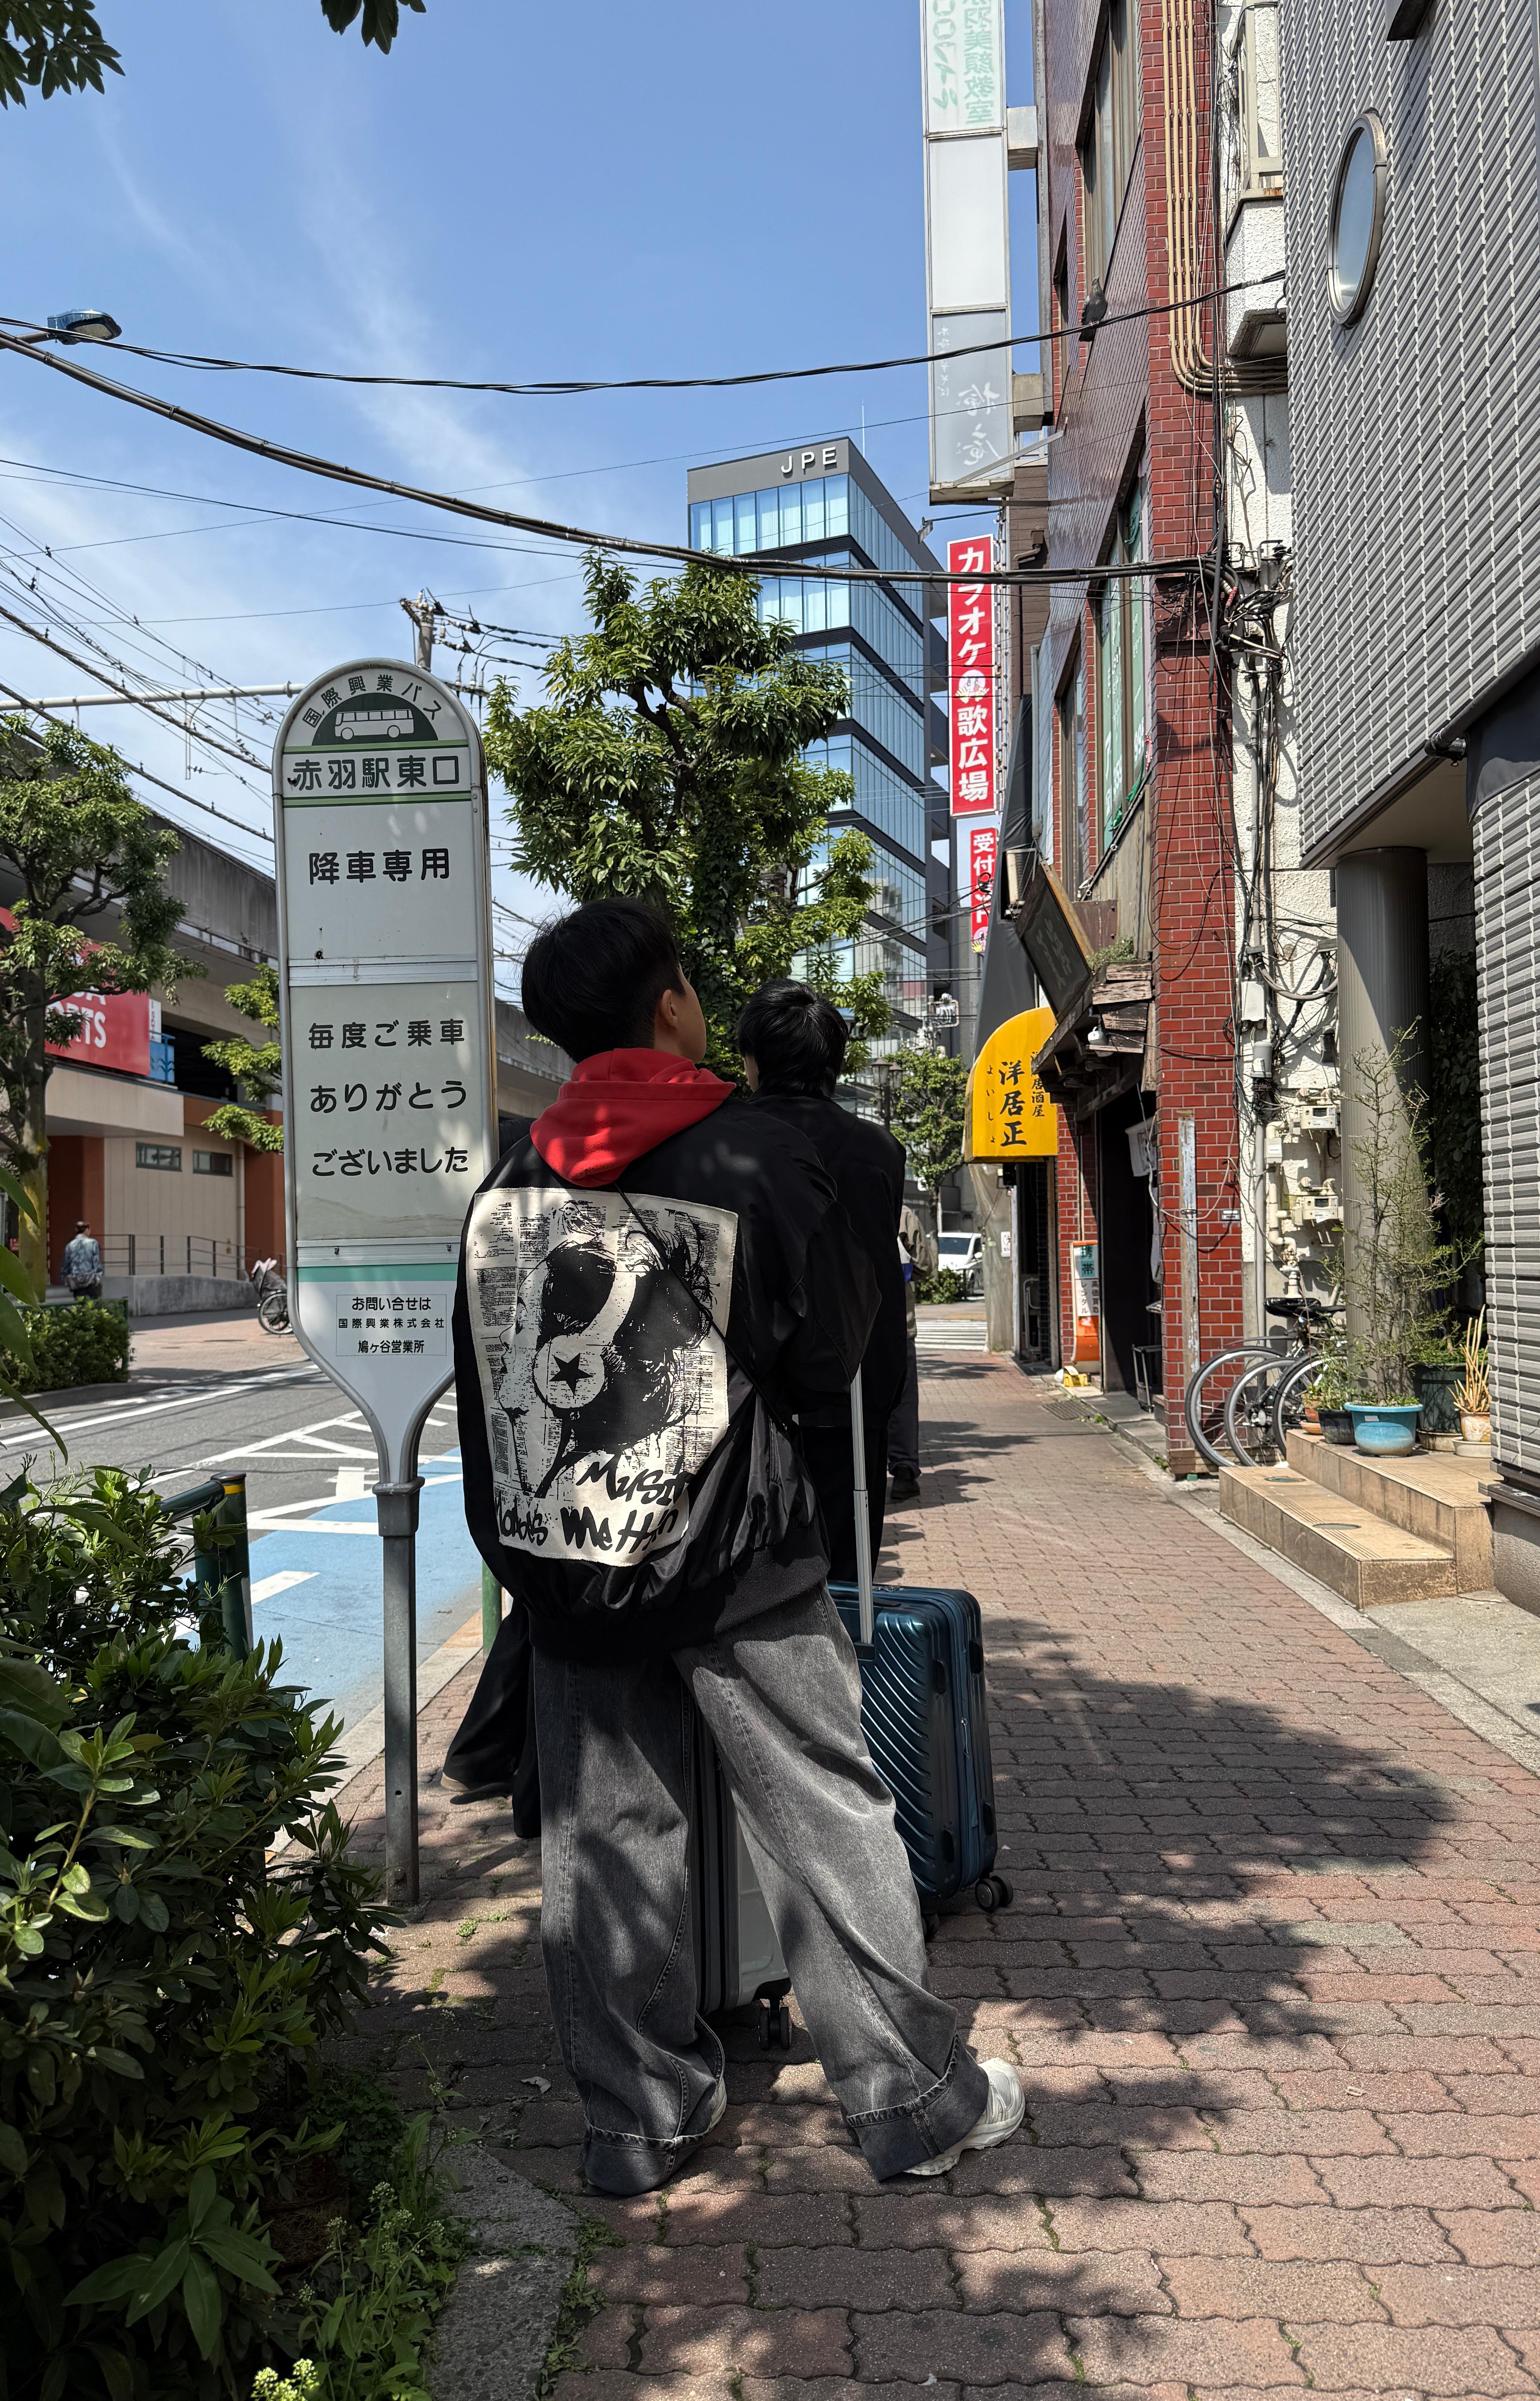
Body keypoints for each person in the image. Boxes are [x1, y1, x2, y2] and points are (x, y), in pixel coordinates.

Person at [454, 898, 1023, 2195]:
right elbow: (826, 1360)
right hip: (733, 1551)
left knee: (604, 1839)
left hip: (571, 1560)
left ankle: (636, 2123)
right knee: (823, 1810)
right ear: (669, 1004)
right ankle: (908, 2094)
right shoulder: (748, 1151)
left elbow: (490, 1385)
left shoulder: (513, 1175)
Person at [737, 979, 906, 1586]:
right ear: (835, 1063)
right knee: (847, 1568)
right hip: (853, 1383)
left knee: (751, 1573)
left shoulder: (723, 1141)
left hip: (749, 1393)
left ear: (752, 1062)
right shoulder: (877, 1149)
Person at [888, 1201, 935, 1506]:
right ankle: (904, 1471)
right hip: (898, 1325)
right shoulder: (902, 1214)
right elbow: (925, 1266)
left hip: (849, 1329)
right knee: (903, 1401)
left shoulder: (836, 1199)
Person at [60, 1221, 103, 1299]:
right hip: (91, 1280)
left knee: (79, 1303)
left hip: (76, 1281)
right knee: (93, 1304)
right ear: (87, 1230)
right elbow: (97, 1263)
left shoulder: (70, 1245)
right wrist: (98, 1278)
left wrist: (65, 1280)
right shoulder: (93, 1243)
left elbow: (66, 1265)